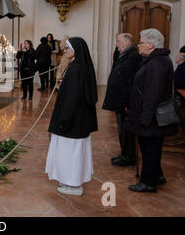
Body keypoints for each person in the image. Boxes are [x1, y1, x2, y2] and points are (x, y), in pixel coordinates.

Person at [123, 28, 177, 193]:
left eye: (141, 42)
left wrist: (145, 118)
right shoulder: (155, 60)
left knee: (150, 149)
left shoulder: (157, 63)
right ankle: (157, 175)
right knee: (151, 148)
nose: (138, 45)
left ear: (151, 44)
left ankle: (148, 182)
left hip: (151, 117)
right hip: (150, 115)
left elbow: (153, 94)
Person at [45, 37, 98, 196]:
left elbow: (72, 99)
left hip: (72, 120)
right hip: (78, 119)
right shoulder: (78, 66)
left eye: (67, 48)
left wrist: (64, 121)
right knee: (73, 152)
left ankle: (74, 185)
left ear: (76, 50)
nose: (64, 51)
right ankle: (70, 181)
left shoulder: (76, 69)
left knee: (70, 153)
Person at [102, 33, 141, 166]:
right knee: (122, 129)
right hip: (121, 100)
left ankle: (128, 156)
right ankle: (125, 154)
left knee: (126, 130)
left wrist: (127, 102)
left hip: (125, 102)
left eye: (118, 41)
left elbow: (131, 82)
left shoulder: (133, 56)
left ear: (127, 43)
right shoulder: (125, 54)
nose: (116, 44)